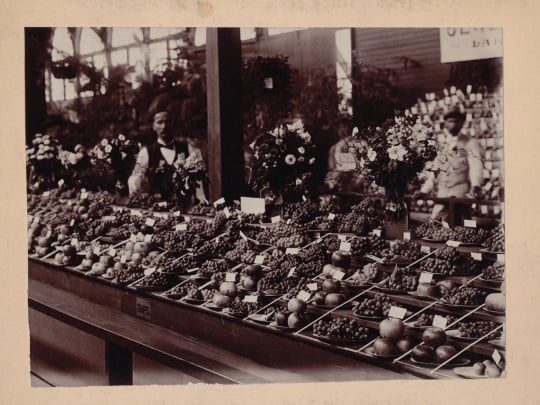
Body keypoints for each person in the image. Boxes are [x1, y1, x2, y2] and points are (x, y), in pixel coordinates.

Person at [128, 102, 207, 205]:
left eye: (167, 122)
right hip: (157, 209)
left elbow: (199, 180)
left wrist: (201, 199)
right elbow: (135, 181)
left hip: (185, 207)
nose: (164, 126)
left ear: (172, 124)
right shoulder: (146, 153)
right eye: (159, 122)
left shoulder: (188, 149)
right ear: (153, 126)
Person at [415, 108, 483, 219]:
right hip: (443, 191)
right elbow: (436, 170)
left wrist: (475, 185)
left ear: (461, 123)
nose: (451, 125)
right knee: (436, 221)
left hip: (460, 190)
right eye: (449, 121)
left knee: (461, 222)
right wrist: (424, 190)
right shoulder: (443, 144)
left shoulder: (470, 142)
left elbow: (476, 165)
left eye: (454, 121)